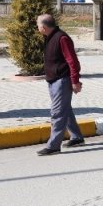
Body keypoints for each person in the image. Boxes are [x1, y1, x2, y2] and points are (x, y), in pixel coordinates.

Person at [36, 14, 85, 156]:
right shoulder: (49, 37)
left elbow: (73, 61)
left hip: (62, 80)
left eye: (38, 25)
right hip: (53, 80)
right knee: (65, 109)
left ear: (44, 27)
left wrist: (75, 81)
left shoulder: (61, 38)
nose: (37, 27)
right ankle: (77, 137)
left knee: (57, 113)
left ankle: (53, 146)